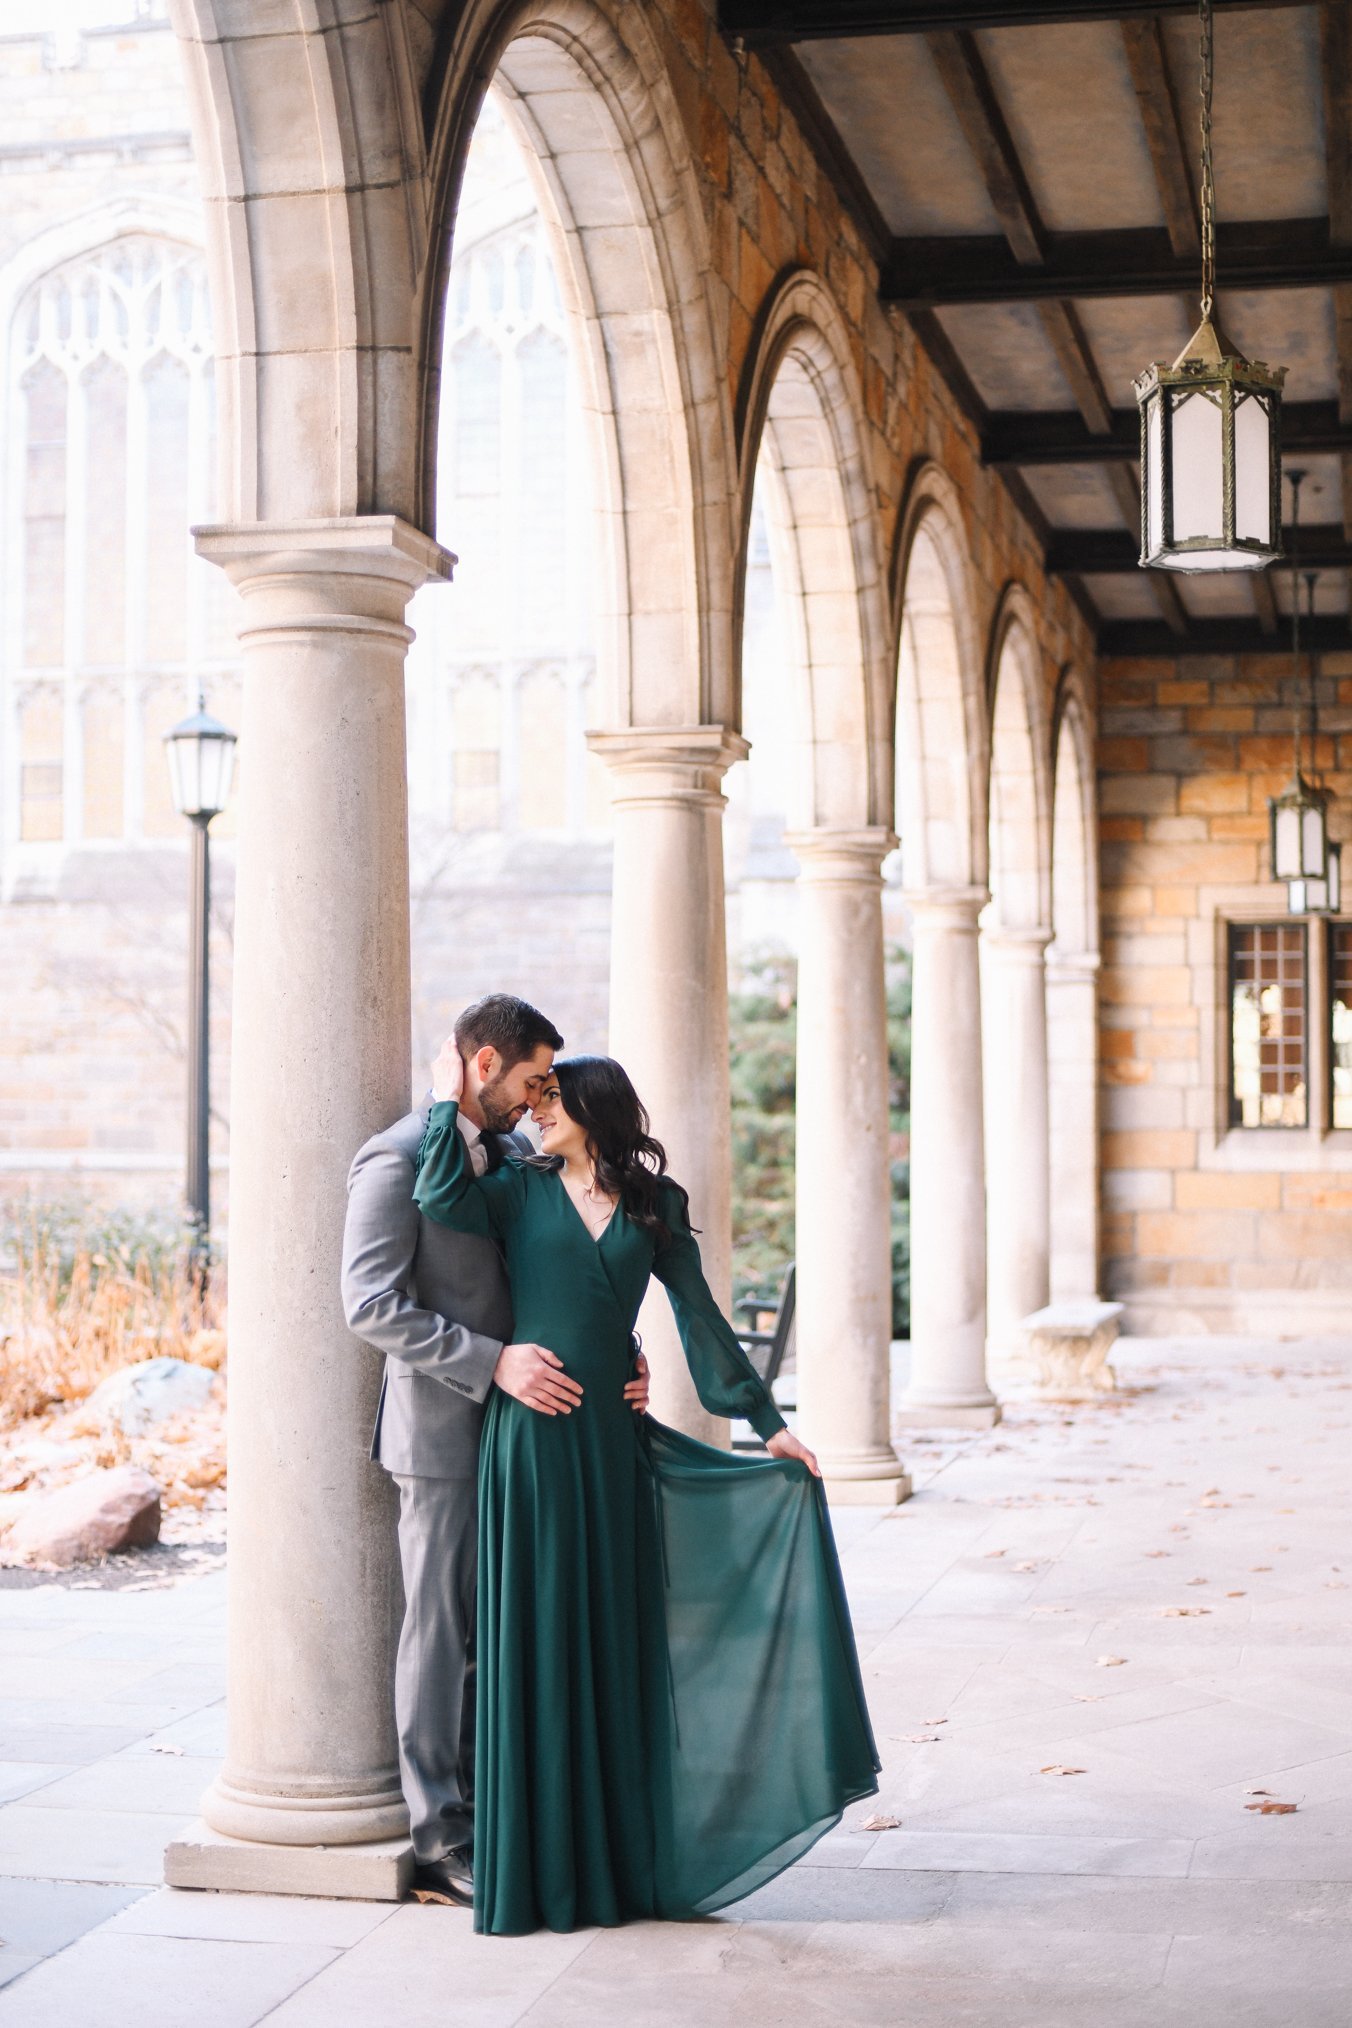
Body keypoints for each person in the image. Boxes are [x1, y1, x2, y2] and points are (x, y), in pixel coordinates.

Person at [414, 1041, 880, 1936]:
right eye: (534, 1094)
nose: (537, 1109)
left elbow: (699, 1318)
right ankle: (541, 1868)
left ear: (598, 1108)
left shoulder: (656, 1207)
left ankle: (617, 1865)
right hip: (532, 1444)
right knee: (540, 1638)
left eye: (553, 1097)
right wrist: (445, 1102)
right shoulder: (516, 1189)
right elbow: (439, 1197)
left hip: (611, 1443)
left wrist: (766, 1422)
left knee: (613, 1639)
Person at [340, 994, 650, 1908]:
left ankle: (504, 1811)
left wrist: (616, 1351)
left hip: (536, 1435)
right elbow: (369, 1306)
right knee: (442, 1635)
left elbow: (551, 1264)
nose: (535, 1098)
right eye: (527, 1080)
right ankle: (439, 1842)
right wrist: (490, 1363)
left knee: (504, 1634)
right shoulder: (394, 1161)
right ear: (482, 1065)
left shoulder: (517, 1155)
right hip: (441, 1435)